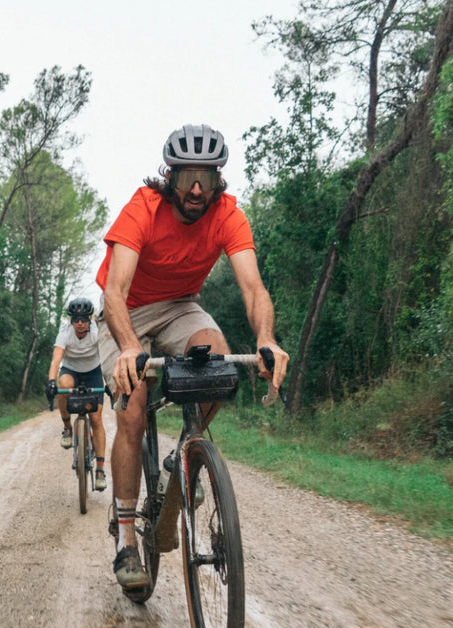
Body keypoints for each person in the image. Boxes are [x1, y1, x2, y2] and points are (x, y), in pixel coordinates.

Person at [96, 123, 289, 590]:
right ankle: (125, 538)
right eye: (187, 178)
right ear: (171, 176)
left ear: (218, 178)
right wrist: (128, 347)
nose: (197, 189)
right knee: (133, 407)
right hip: (127, 313)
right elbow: (115, 292)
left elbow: (253, 286)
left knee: (221, 366)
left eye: (206, 176)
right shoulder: (142, 208)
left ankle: (183, 455)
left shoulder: (228, 214)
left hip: (181, 305)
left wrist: (266, 338)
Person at [46, 297, 108, 491]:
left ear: (89, 318)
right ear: (71, 320)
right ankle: (67, 427)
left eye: (83, 319)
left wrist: (112, 381)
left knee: (96, 419)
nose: (79, 323)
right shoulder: (65, 332)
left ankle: (100, 470)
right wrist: (50, 381)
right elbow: (56, 360)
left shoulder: (97, 331)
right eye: (75, 319)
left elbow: (108, 354)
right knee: (63, 385)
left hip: (93, 372)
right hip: (71, 370)